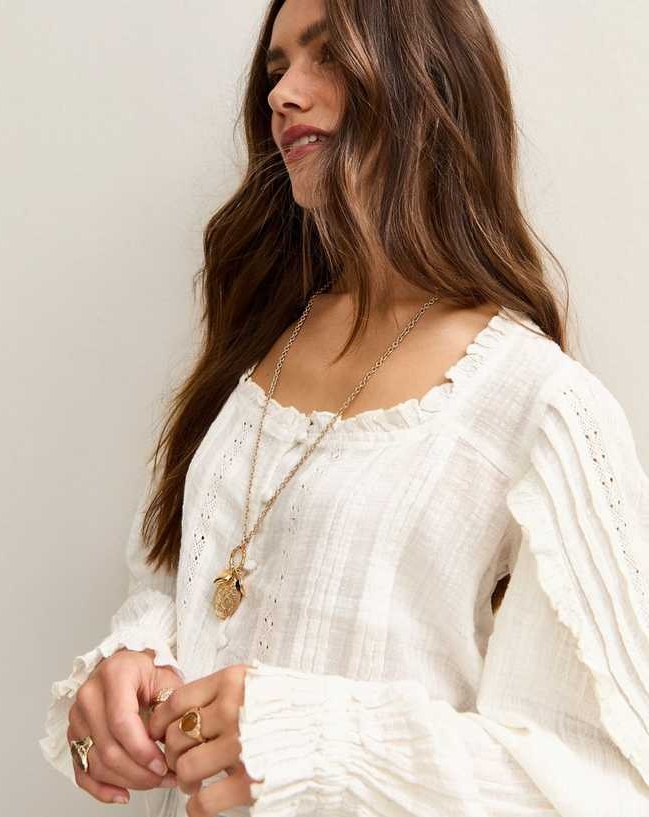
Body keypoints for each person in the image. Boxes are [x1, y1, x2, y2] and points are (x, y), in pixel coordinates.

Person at [39, 0, 649, 815]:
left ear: (430, 79)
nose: (282, 93)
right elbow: (182, 584)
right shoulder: (259, 336)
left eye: (325, 55)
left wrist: (317, 742)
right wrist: (129, 669)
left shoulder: (539, 406)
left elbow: (598, 786)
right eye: (276, 69)